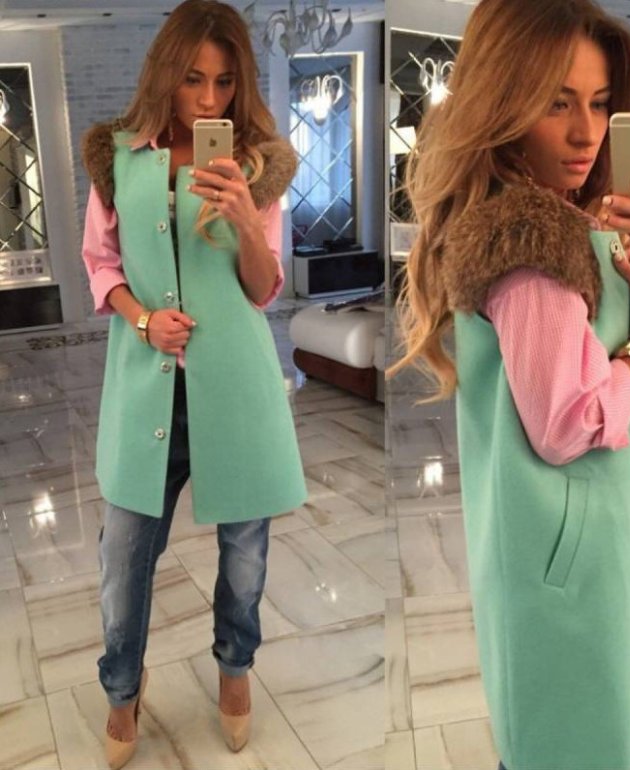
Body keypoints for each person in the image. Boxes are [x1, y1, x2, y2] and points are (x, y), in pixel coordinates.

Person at [389, 0, 630, 768]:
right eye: (557, 103)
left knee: (601, 718)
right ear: (504, 103)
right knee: (577, 736)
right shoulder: (530, 242)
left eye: (600, 103)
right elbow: (569, 423)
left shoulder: (579, 217)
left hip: (588, 539)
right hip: (570, 560)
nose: (586, 132)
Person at [80, 1, 307, 766]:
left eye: (224, 81)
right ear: (166, 75)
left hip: (235, 389)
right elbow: (100, 264)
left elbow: (263, 288)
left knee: (245, 556)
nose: (209, 98)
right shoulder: (118, 158)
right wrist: (144, 320)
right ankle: (122, 687)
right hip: (144, 389)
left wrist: (245, 217)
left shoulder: (258, 164)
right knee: (123, 557)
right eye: (193, 79)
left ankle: (234, 671)